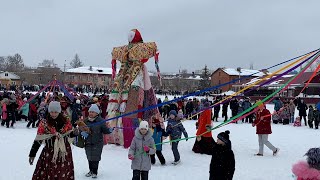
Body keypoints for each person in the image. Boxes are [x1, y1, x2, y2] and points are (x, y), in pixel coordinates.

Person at [28, 101, 77, 180]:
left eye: (55, 112)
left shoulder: (66, 121)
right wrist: (32, 154)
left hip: (63, 152)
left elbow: (70, 135)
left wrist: (75, 133)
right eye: (51, 112)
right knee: (49, 172)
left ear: (59, 111)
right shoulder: (44, 123)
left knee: (62, 172)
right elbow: (38, 139)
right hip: (49, 152)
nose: (53, 114)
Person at [83, 104, 113, 178]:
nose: (91, 113)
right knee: (89, 157)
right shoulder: (85, 120)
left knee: (95, 158)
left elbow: (105, 130)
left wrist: (109, 130)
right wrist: (82, 132)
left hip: (97, 142)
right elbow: (82, 128)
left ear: (97, 113)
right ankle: (90, 170)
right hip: (88, 142)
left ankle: (95, 172)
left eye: (93, 112)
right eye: (90, 112)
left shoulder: (101, 121)